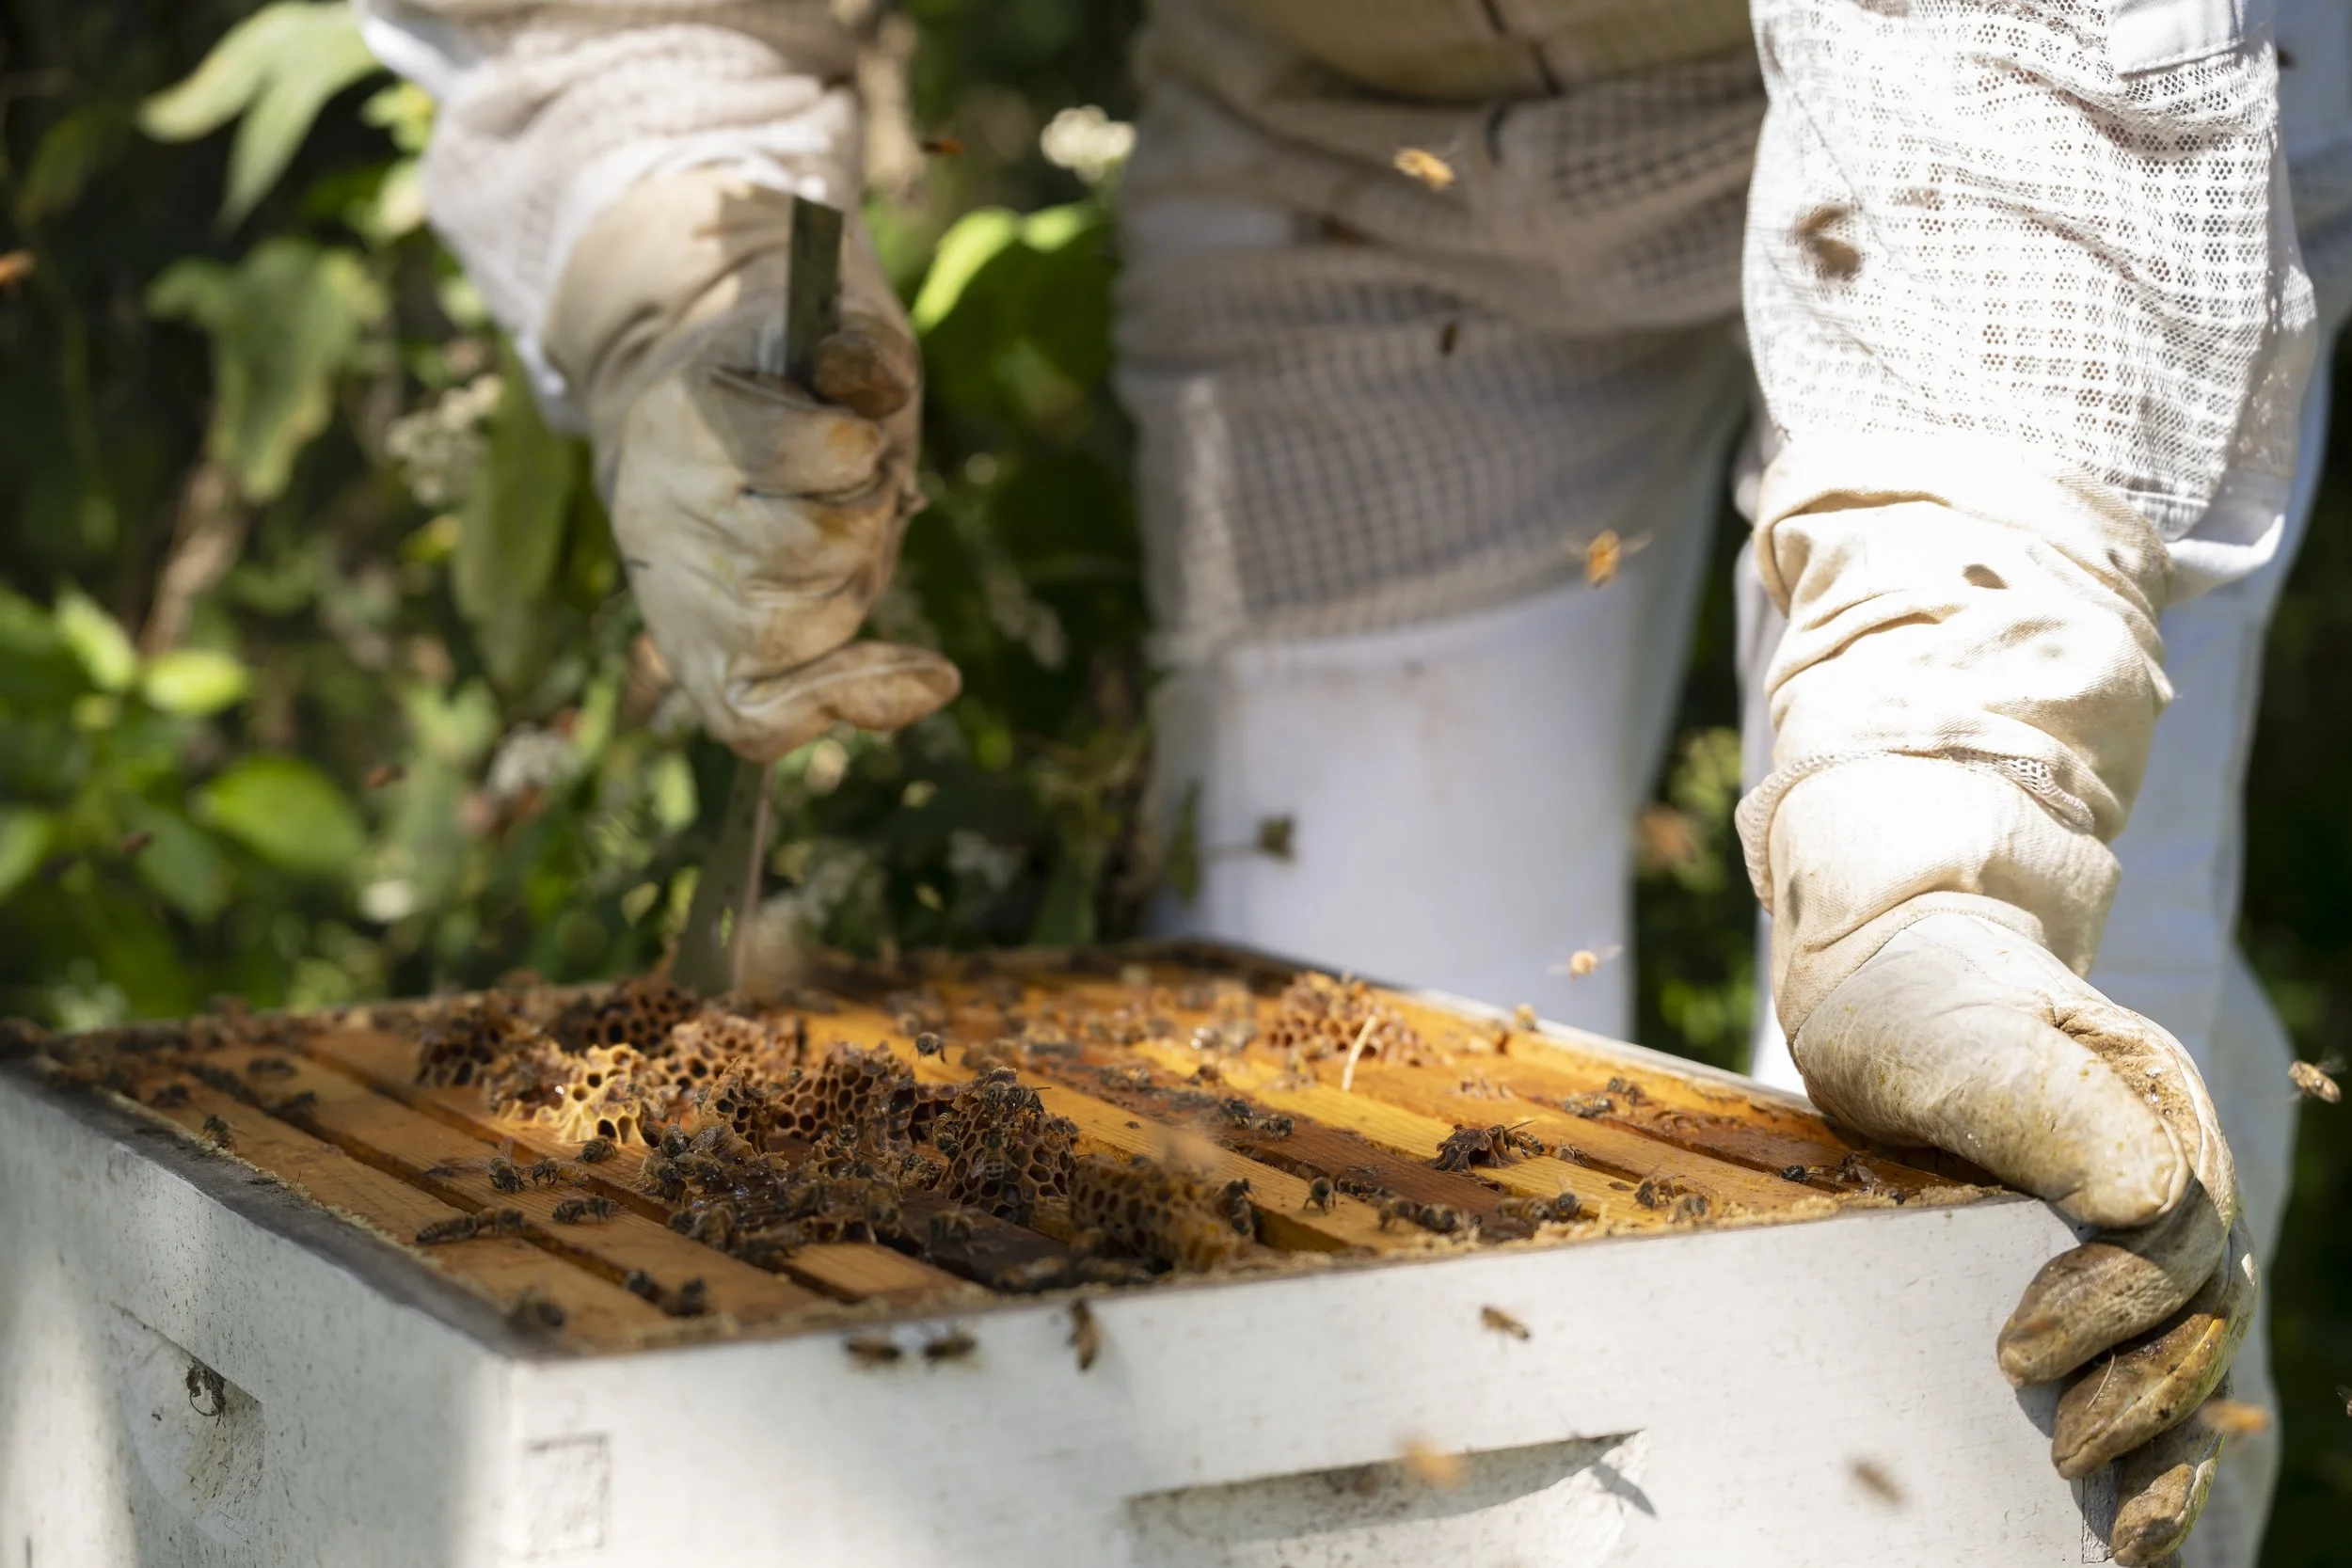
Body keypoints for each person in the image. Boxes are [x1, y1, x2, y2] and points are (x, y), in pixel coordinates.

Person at [355, 2, 2352, 1560]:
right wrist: (674, 255)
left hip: (2030, 114)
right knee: (1309, 1235)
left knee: (1995, 1206)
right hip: (1343, 135)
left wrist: (1952, 810)